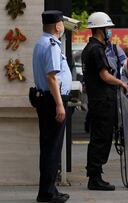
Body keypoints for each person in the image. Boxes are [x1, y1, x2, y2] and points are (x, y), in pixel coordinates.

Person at [82, 12, 128, 191]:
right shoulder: (97, 49)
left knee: (97, 138)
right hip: (103, 101)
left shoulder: (88, 48)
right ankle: (95, 178)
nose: (110, 31)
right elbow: (104, 75)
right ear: (100, 29)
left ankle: (95, 174)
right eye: (108, 28)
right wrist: (120, 82)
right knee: (102, 139)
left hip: (97, 100)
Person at [32, 10, 71, 203]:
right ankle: (47, 193)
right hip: (51, 101)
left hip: (44, 99)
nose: (63, 27)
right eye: (62, 23)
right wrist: (59, 104)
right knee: (52, 148)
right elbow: (51, 77)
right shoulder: (52, 45)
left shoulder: (41, 42)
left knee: (49, 147)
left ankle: (49, 190)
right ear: (58, 26)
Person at [84, 42, 127, 133]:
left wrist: (121, 79)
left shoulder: (115, 49)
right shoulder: (96, 49)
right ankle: (90, 125)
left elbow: (125, 64)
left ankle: (114, 127)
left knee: (114, 105)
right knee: (96, 107)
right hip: (101, 84)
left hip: (113, 82)